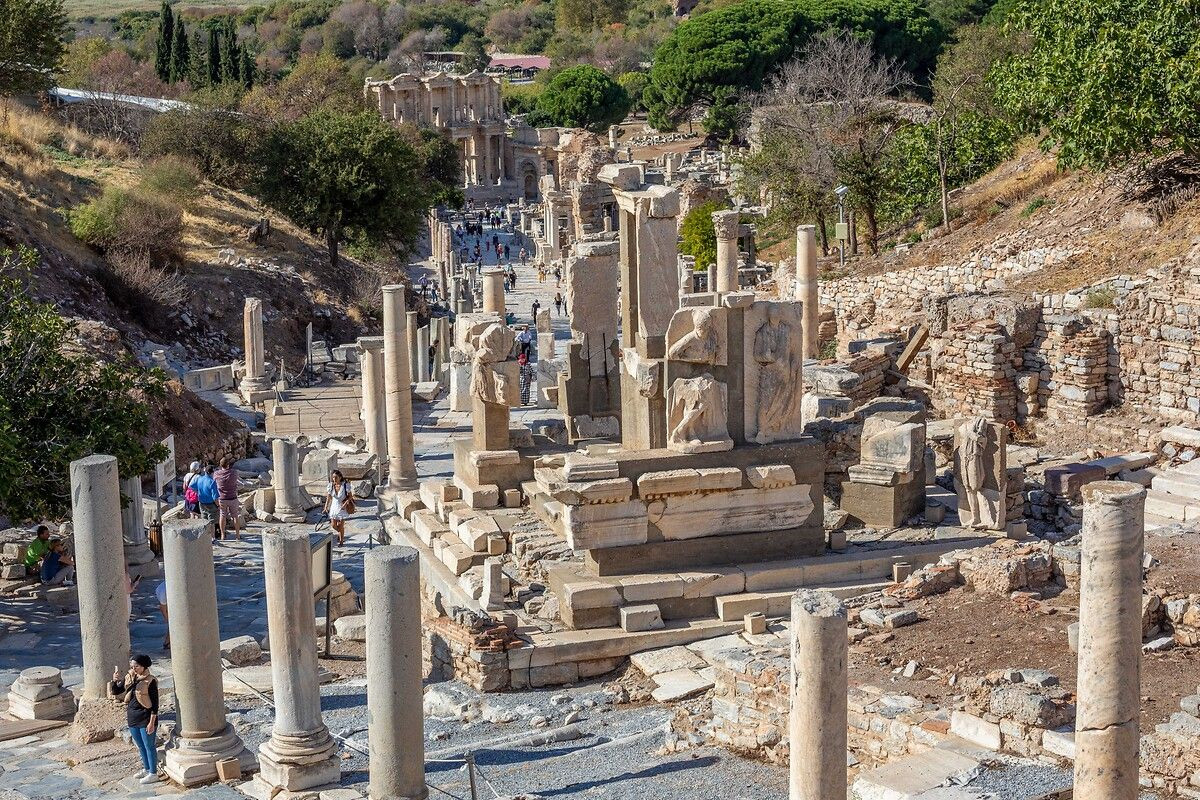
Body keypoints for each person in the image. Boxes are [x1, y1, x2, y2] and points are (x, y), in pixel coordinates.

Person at [112, 655, 160, 784]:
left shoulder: (150, 681)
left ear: (144, 666)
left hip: (146, 718)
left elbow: (155, 704)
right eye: (132, 666)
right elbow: (116, 691)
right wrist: (115, 681)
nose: (134, 668)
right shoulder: (130, 677)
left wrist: (151, 722)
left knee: (149, 746)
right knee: (140, 745)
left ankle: (153, 773)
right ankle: (146, 768)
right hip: (133, 717)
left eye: (136, 666)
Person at [213, 457, 241, 541]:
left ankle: (222, 534)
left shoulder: (216, 474)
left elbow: (214, 482)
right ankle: (237, 535)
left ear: (220, 465)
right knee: (235, 516)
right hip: (233, 497)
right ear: (228, 464)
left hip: (222, 498)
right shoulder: (234, 472)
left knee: (222, 515)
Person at [324, 470, 354, 547]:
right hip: (334, 507)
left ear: (340, 477)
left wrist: (345, 503)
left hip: (342, 507)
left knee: (340, 525)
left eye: (336, 477)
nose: (334, 479)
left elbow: (350, 496)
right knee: (333, 525)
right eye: (333, 477)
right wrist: (325, 507)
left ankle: (341, 541)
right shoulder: (331, 486)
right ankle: (341, 533)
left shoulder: (345, 485)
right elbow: (329, 497)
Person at [156, 579, 170, 650]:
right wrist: (167, 618)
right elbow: (162, 608)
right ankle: (167, 642)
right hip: (163, 595)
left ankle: (167, 642)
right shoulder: (163, 593)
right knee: (172, 623)